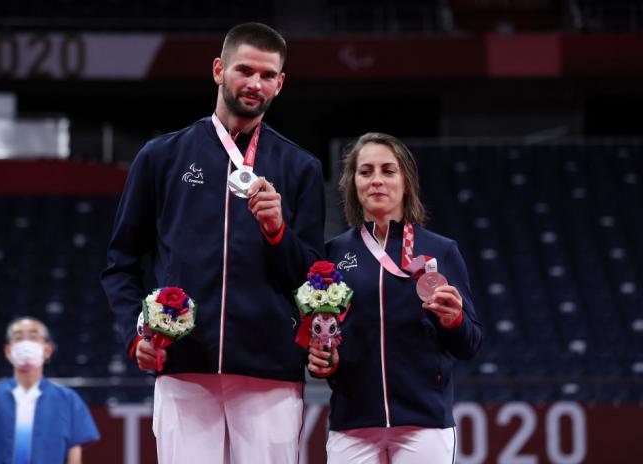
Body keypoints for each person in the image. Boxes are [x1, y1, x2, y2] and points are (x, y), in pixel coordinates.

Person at [100, 22, 325, 463]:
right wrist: (136, 334)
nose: (254, 84)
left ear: (280, 84)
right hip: (183, 364)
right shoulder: (162, 157)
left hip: (269, 372)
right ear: (219, 69)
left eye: (266, 76)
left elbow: (313, 279)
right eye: (245, 70)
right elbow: (120, 263)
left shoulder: (300, 168)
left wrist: (278, 233)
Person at [308, 133, 482, 463]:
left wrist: (454, 320)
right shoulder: (332, 255)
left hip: (424, 423)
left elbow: (469, 343)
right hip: (353, 423)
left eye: (388, 171)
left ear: (406, 181)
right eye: (366, 171)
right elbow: (321, 335)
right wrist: (321, 362)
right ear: (352, 184)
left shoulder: (441, 250)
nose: (377, 180)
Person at [0, 317, 100, 464]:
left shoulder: (69, 400)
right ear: (8, 351)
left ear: (47, 349)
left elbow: (74, 457)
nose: (25, 343)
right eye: (18, 337)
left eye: (33, 336)